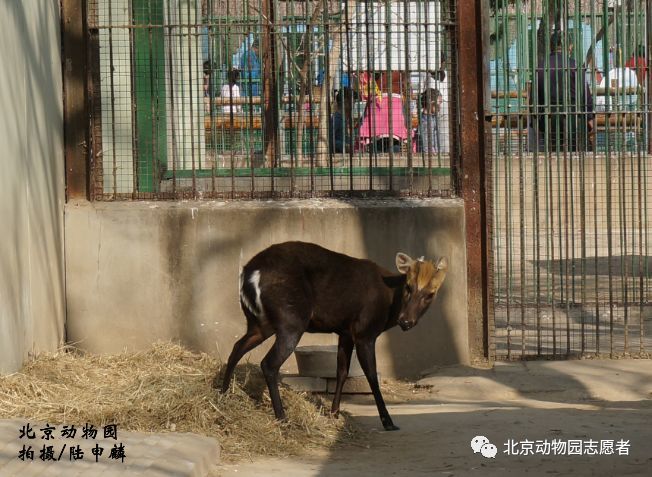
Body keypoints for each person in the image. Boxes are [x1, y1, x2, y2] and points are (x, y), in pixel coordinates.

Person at [531, 31, 594, 152]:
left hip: (549, 122)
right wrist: (590, 118)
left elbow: (534, 100)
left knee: (553, 159)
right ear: (570, 46)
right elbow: (586, 97)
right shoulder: (574, 65)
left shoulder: (540, 67)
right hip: (574, 121)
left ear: (550, 46)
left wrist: (537, 123)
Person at [329, 87, 356, 153]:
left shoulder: (344, 118)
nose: (354, 102)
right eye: (352, 100)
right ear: (345, 101)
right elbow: (329, 140)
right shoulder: (336, 119)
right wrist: (344, 146)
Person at [417, 88, 442, 154]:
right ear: (431, 102)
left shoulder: (432, 118)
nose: (440, 106)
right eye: (439, 102)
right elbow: (426, 144)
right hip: (430, 158)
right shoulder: (426, 121)